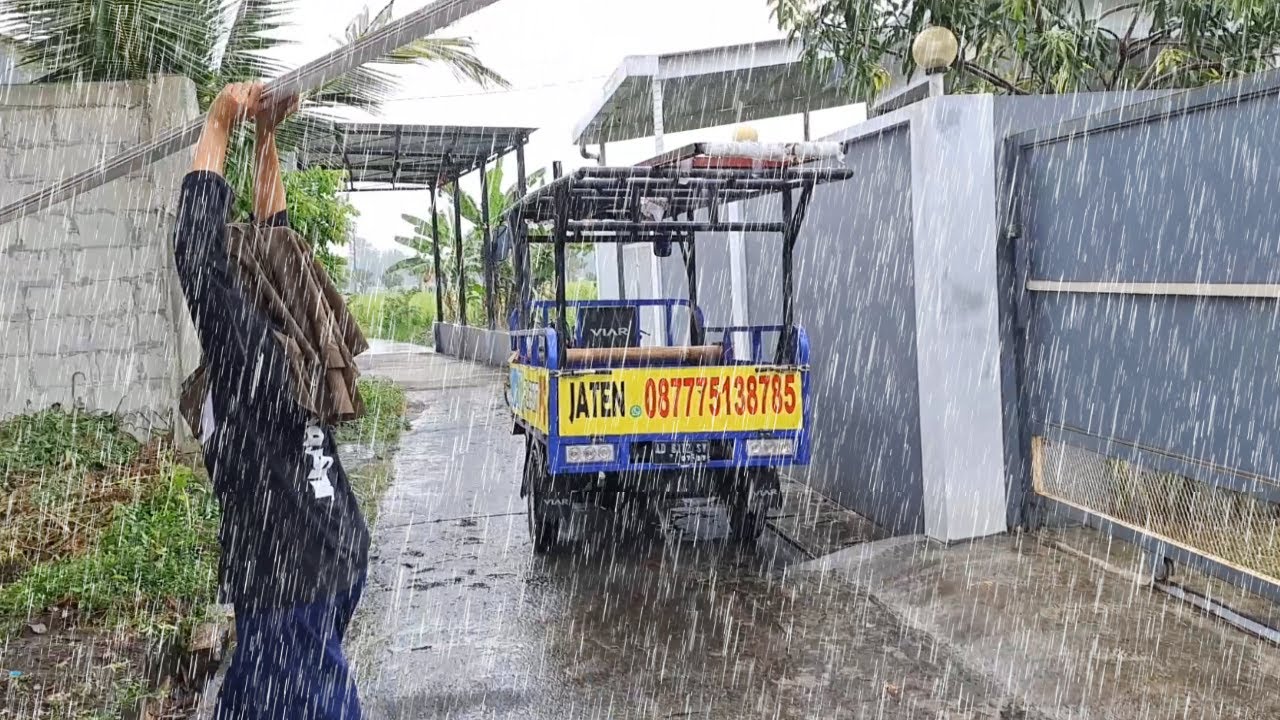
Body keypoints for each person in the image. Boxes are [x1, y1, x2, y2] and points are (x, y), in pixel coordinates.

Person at [172, 81, 370, 720]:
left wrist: (220, 125)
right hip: (323, 551)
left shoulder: (252, 352)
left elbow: (196, 258)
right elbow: (276, 237)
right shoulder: (294, 333)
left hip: (293, 576)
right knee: (249, 703)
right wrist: (265, 138)